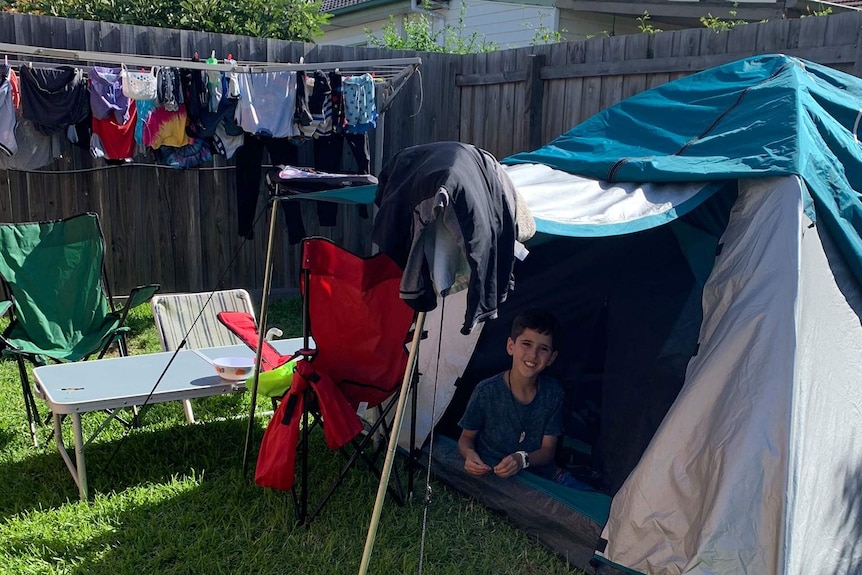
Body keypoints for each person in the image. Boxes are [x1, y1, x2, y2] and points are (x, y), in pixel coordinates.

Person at [458, 309, 590, 489]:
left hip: (542, 475)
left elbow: (548, 450)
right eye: (526, 344)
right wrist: (469, 454)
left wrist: (522, 459)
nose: (533, 355)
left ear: (551, 358)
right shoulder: (486, 391)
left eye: (543, 349)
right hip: (494, 470)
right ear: (511, 346)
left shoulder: (553, 393)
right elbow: (466, 437)